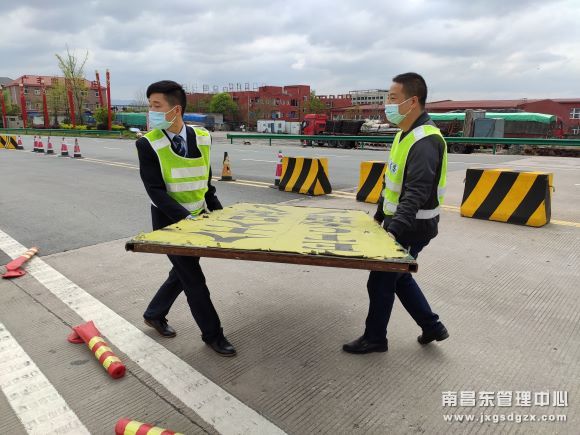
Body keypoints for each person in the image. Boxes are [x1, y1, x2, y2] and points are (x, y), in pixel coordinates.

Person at [343, 72, 449, 354]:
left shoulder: (425, 141)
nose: (387, 105)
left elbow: (416, 193)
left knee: (380, 281)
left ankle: (375, 338)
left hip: (413, 227)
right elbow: (392, 182)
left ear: (412, 102)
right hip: (401, 223)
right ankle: (432, 326)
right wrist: (380, 215)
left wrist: (393, 232)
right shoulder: (405, 134)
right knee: (399, 277)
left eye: (392, 98)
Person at [136, 80, 236, 357]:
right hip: (169, 223)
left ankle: (154, 313)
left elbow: (205, 182)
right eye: (150, 106)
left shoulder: (203, 137)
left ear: (175, 109)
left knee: (181, 273)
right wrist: (187, 219)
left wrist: (218, 214)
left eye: (157, 106)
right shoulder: (148, 144)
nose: (151, 112)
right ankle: (213, 335)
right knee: (193, 280)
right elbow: (155, 191)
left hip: (199, 218)